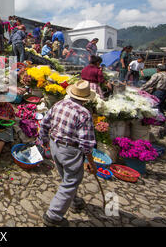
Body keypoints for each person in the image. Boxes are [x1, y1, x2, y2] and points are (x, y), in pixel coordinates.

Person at [38, 80, 97, 227]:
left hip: (55, 145)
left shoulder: (59, 104)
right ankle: (53, 215)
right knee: (71, 180)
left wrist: (44, 141)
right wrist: (90, 161)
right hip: (70, 150)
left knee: (67, 177)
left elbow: (44, 124)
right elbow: (86, 143)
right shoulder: (84, 113)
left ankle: (74, 201)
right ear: (85, 98)